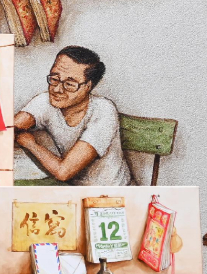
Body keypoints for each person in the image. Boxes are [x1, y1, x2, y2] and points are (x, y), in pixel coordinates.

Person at [14, 46, 131, 185]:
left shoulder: (103, 110)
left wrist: (30, 143)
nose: (57, 89)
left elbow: (63, 172)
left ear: (88, 86)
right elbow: (11, 126)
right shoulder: (46, 101)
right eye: (55, 78)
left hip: (111, 195)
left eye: (69, 84)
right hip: (72, 191)